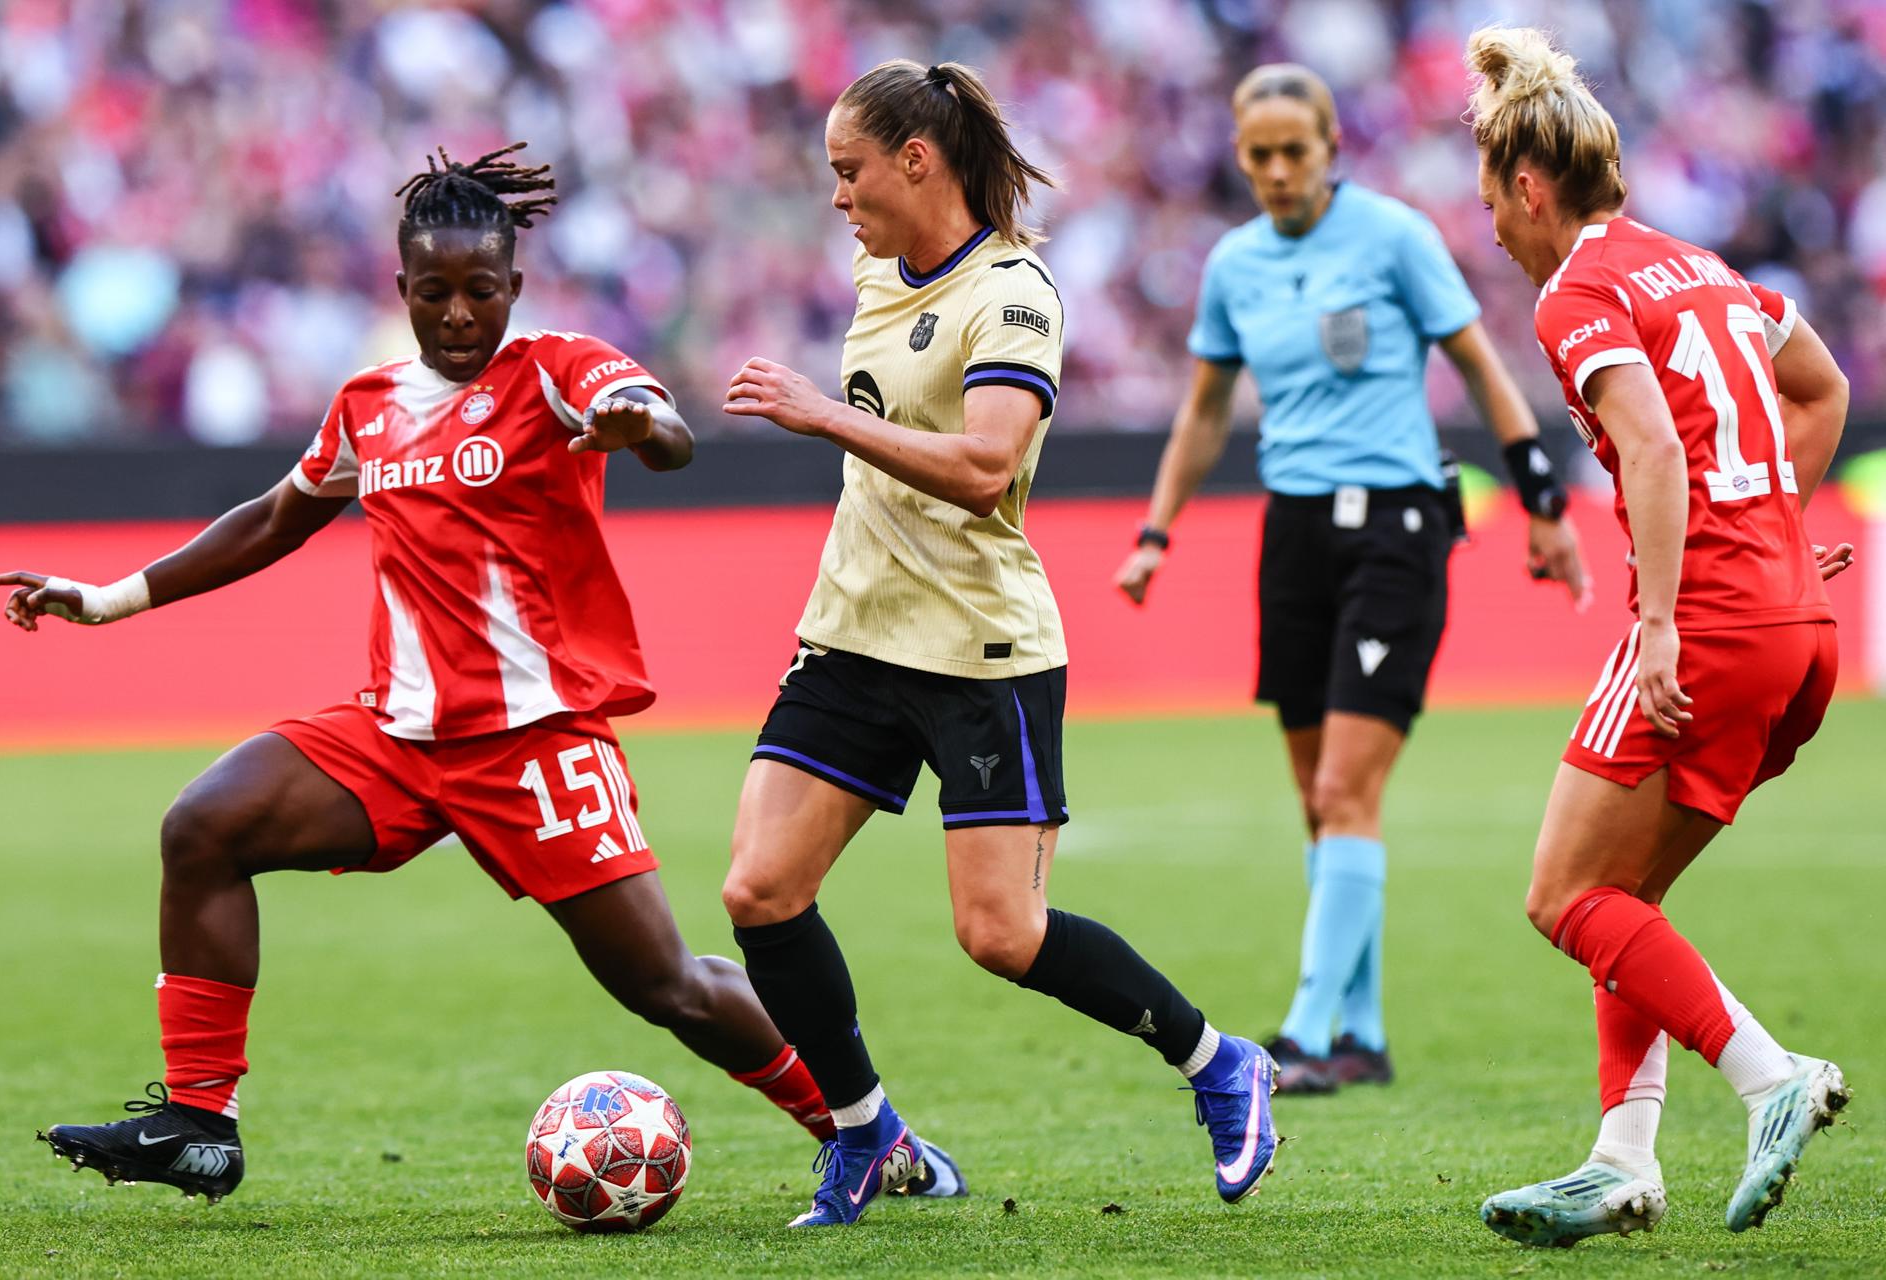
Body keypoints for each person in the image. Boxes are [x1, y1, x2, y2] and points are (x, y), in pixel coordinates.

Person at [0, 143, 903, 1204]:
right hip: (396, 735)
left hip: (536, 741)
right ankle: (200, 1119)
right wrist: (106, 596)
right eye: (435, 293)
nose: (459, 314)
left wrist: (635, 426)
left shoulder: (560, 369)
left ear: (514, 286)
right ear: (402, 289)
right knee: (204, 824)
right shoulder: (370, 402)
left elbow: (671, 432)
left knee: (668, 984)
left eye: (480, 291)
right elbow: (276, 518)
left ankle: (867, 1128)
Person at [716, 59, 1279, 1230]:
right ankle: (868, 1130)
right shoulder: (879, 269)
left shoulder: (1015, 293)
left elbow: (984, 469)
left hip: (981, 649)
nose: (838, 196)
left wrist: (823, 412)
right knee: (760, 888)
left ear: (916, 160)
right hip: (855, 631)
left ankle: (1221, 1061)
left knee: (1000, 934)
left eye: (850, 169)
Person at [1114, 64, 1588, 1094]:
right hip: (1294, 532)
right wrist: (1156, 531)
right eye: (1259, 155)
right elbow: (1203, 411)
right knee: (1314, 799)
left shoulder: (1394, 237)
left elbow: (1479, 365)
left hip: (1397, 525)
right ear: (1239, 157)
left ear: (1332, 146)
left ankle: (1303, 1033)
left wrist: (1542, 501)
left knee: (1344, 788)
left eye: (1296, 151)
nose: (1278, 171)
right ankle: (1363, 1032)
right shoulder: (1235, 264)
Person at [1461, 27, 1857, 1247]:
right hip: (1799, 626)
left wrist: (1664, 618)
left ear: (1530, 185)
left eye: (1490, 199)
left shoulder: (1576, 291)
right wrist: (1774, 526)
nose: (1491, 226)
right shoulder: (1705, 267)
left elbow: (1650, 444)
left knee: (1564, 891)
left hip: (1715, 621)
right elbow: (1824, 386)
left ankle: (1770, 1074)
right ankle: (1620, 1160)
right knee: (1623, 896)